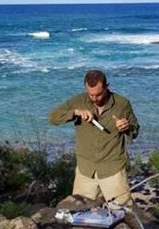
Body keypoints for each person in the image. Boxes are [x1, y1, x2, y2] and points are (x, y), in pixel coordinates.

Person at [49, 69, 139, 208]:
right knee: (78, 212)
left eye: (98, 94)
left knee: (123, 212)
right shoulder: (78, 101)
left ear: (107, 86)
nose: (95, 98)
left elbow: (135, 130)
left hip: (113, 169)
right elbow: (53, 117)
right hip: (85, 170)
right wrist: (75, 112)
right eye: (91, 94)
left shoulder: (122, 104)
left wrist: (126, 127)